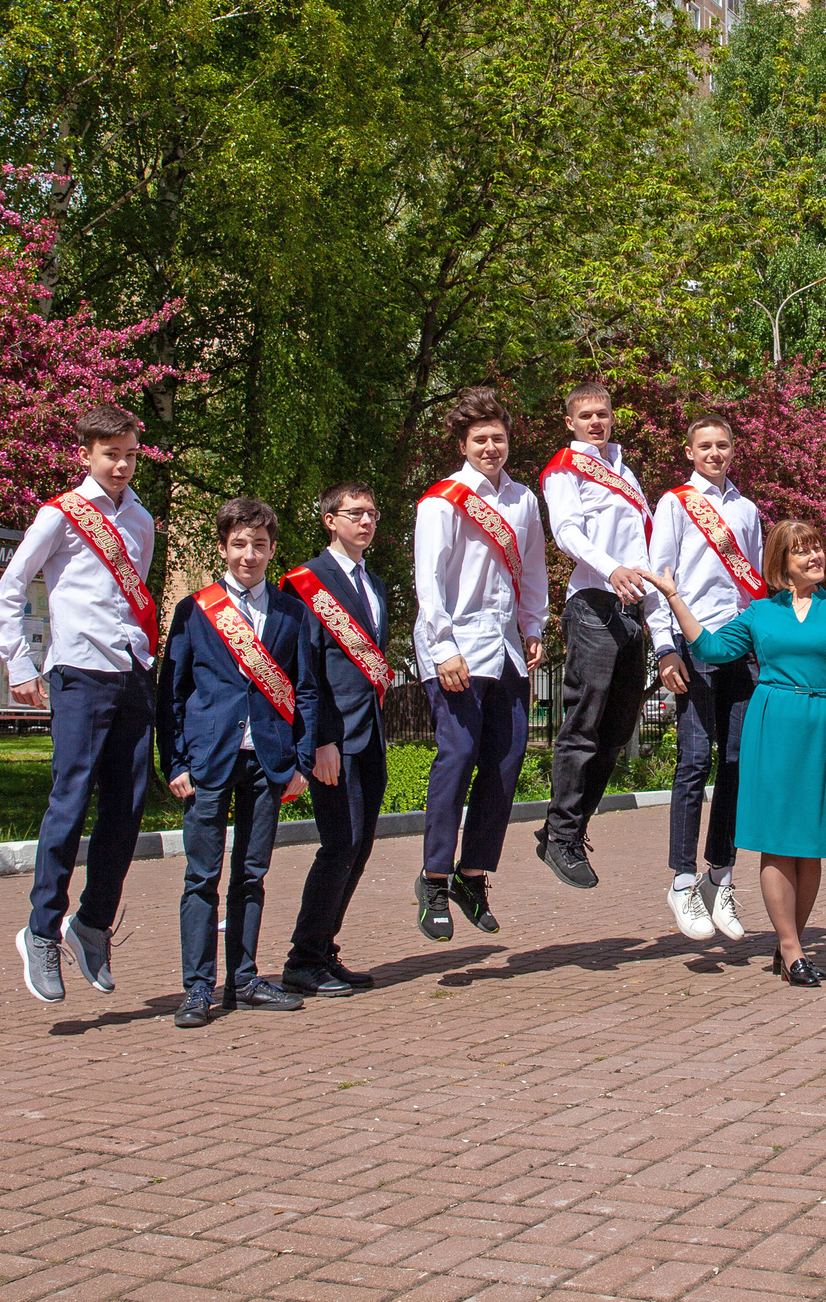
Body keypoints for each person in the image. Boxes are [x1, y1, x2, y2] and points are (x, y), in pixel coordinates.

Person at [653, 522, 826, 985]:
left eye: (818, 547)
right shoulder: (759, 614)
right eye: (802, 551)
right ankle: (790, 948)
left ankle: (793, 945)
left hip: (825, 723)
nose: (815, 557)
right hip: (774, 724)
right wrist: (673, 596)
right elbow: (709, 646)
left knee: (811, 846)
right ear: (781, 564)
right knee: (778, 840)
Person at [0, 402, 159, 1005]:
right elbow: (11, 590)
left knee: (129, 807)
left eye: (130, 455)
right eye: (110, 454)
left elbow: (130, 600)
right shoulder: (59, 516)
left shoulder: (141, 520)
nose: (120, 465)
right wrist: (20, 662)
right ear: (87, 454)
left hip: (132, 673)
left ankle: (90, 924)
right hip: (80, 675)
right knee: (70, 801)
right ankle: (40, 930)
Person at [158, 498, 321, 1026]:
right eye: (239, 544)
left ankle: (245, 979)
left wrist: (301, 759)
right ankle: (197, 989)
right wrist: (175, 761)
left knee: (252, 874)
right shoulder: (195, 610)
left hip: (269, 760)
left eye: (259, 545)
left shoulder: (292, 612)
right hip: (208, 760)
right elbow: (173, 693)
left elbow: (308, 691)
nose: (249, 554)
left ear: (273, 549)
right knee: (202, 875)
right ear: (224, 548)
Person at [411, 387, 549, 941]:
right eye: (480, 439)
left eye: (499, 438)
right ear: (463, 445)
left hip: (507, 648)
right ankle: (434, 877)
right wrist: (442, 648)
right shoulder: (442, 501)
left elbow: (534, 567)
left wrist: (533, 624)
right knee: (459, 752)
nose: (491, 447)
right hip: (457, 648)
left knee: (506, 759)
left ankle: (473, 874)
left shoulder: (523, 500)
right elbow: (429, 581)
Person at [645, 414, 762, 944]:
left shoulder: (748, 510)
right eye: (705, 446)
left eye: (722, 446)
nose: (714, 454)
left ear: (733, 450)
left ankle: (721, 875)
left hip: (740, 647)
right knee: (694, 760)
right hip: (692, 646)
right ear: (690, 452)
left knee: (738, 762)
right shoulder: (674, 503)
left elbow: (754, 585)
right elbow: (658, 579)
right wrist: (665, 649)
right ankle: (683, 880)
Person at [537, 381, 658, 890]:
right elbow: (567, 531)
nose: (596, 422)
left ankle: (565, 830)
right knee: (584, 722)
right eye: (586, 415)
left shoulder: (624, 472)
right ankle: (563, 834)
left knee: (617, 730)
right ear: (571, 422)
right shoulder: (565, 468)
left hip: (632, 606)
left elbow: (646, 547)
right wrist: (611, 571)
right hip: (593, 601)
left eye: (603, 414)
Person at [280, 483, 393, 997]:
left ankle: (323, 951)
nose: (366, 522)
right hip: (333, 737)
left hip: (369, 732)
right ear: (329, 519)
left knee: (360, 845)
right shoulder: (305, 582)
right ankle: (302, 960)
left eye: (371, 513)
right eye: (355, 514)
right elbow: (304, 669)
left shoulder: (375, 584)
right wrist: (320, 739)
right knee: (339, 843)